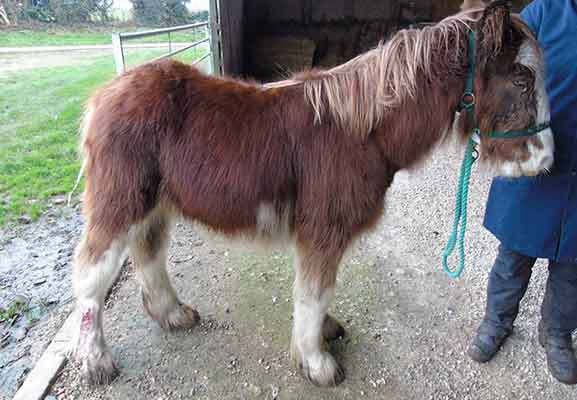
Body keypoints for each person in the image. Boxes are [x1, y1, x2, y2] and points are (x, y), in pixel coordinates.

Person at [467, 0, 577, 385]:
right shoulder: (545, 13)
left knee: (573, 268)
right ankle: (496, 322)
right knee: (513, 255)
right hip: (534, 157)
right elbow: (498, 64)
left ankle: (558, 334)